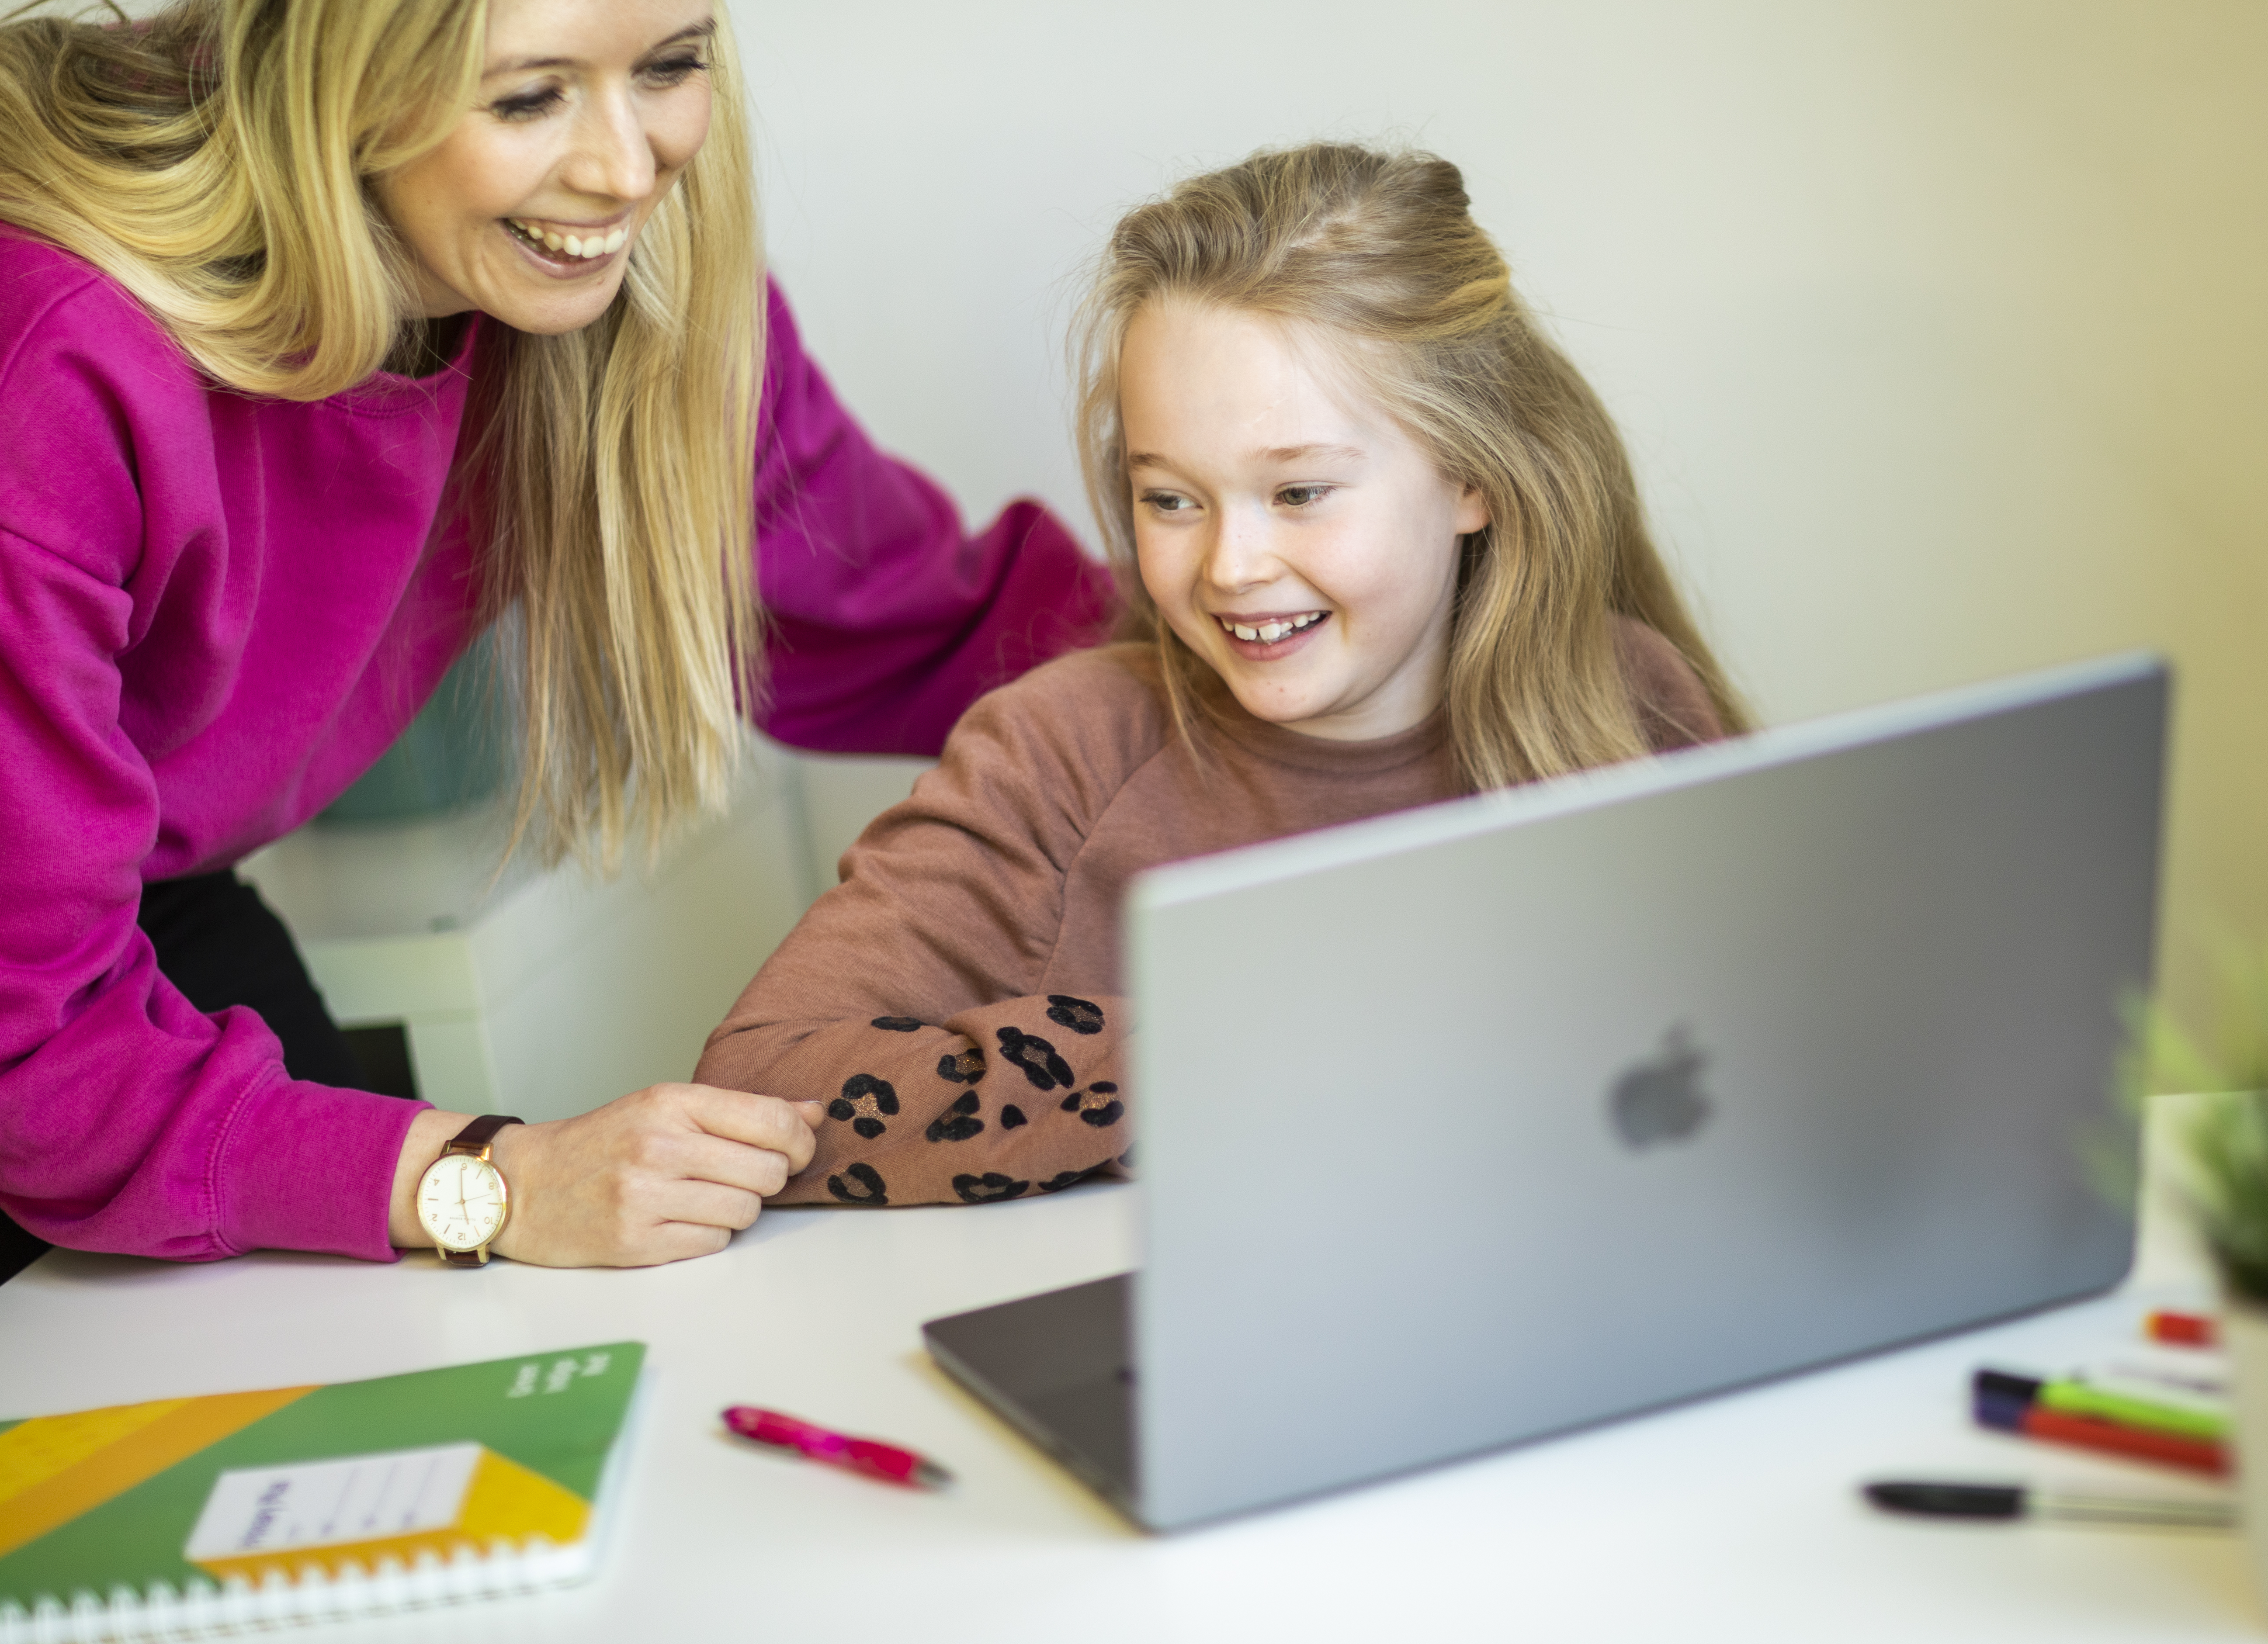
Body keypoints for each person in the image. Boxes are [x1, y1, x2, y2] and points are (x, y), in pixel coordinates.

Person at [0, 0, 1111, 1395]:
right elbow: (20, 1045)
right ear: (339, 84)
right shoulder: (42, 348)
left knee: (323, 1397)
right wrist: (503, 1177)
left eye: (667, 67)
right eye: (527, 96)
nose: (622, 165)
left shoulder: (633, 282)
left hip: (99, 879)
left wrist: (1353, 667)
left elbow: (919, 620)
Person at [698, 142, 1748, 1206]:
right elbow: (758, 1080)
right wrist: (1240, 1052)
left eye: (1298, 494)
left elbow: (1768, 1044)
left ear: (1473, 475)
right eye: (1171, 500)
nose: (1230, 567)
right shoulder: (1060, 753)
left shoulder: (1627, 702)